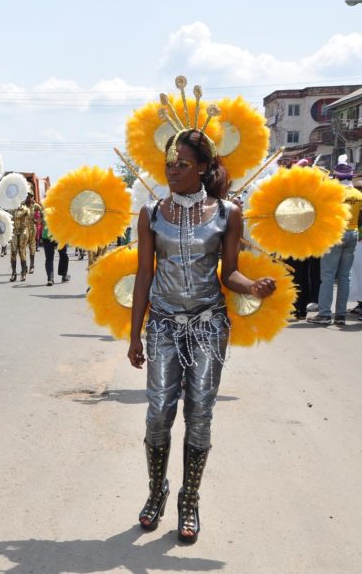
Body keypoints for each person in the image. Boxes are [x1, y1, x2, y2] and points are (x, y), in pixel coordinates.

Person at [127, 129, 276, 544]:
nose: (173, 171)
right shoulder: (151, 213)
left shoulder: (227, 212)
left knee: (200, 414)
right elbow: (144, 274)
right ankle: (157, 491)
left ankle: (188, 499)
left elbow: (228, 271)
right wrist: (134, 333)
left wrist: (250, 287)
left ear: (205, 167)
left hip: (209, 325)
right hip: (162, 325)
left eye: (183, 164)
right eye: (169, 164)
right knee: (158, 412)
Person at [308, 162, 362, 325]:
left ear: (337, 177)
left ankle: (324, 314)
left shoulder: (332, 193)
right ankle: (340, 315)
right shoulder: (358, 194)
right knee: (345, 277)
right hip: (352, 234)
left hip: (335, 234)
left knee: (328, 276)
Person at [9, 193, 38, 281]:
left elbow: (29, 215)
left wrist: (38, 220)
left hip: (24, 231)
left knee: (22, 251)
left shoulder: (26, 209)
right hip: (14, 231)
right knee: (13, 252)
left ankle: (23, 272)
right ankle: (14, 273)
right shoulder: (12, 209)